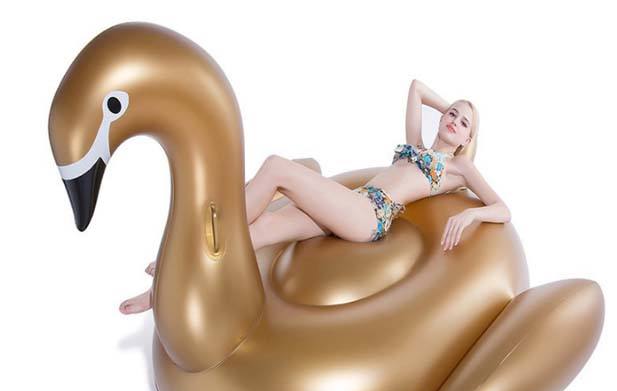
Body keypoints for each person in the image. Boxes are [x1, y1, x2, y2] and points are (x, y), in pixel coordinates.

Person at [119, 79, 510, 315]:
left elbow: (502, 208)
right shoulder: (416, 146)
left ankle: (187, 249)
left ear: (468, 139)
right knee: (263, 228)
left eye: (464, 123)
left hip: (369, 215)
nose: (454, 121)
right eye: (452, 114)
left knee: (277, 167)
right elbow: (416, 88)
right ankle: (163, 290)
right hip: (353, 202)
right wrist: (450, 106)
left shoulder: (459, 168)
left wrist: (471, 216)